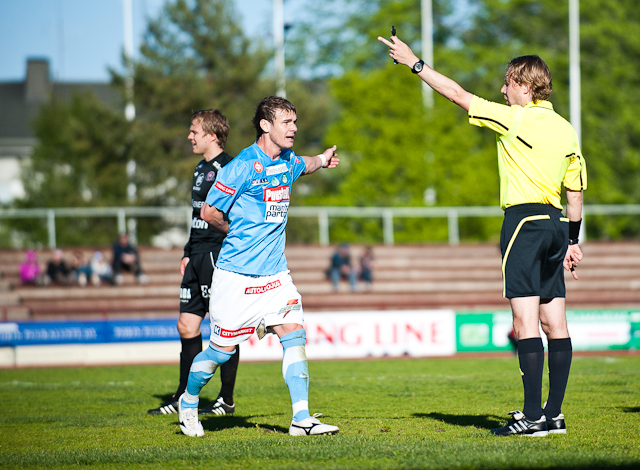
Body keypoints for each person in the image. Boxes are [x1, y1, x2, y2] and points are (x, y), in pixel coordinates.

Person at [379, 34, 587, 437]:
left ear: (525, 88)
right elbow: (574, 193)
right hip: (557, 226)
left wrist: (414, 63)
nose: (503, 90)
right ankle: (553, 414)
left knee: (525, 321)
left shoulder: (516, 117)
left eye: (508, 84)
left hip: (524, 223)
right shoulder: (565, 129)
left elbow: (456, 94)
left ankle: (531, 418)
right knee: (555, 323)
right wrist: (573, 241)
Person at [176, 95, 341, 438]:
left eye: (294, 122)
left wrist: (323, 160)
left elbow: (306, 164)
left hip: (276, 275)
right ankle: (189, 402)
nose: (293, 128)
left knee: (294, 334)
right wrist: (235, 230)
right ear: (265, 126)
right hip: (236, 276)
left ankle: (301, 419)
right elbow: (209, 212)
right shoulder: (241, 166)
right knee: (219, 352)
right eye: (286, 122)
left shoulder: (288, 161)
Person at [147, 109, 240, 417]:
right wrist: (187, 251)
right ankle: (182, 395)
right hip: (197, 254)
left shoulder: (231, 167)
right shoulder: (200, 168)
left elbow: (234, 215)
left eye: (194, 131)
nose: (189, 136)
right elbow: (196, 215)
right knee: (187, 326)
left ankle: (225, 399)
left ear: (212, 135)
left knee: (225, 328)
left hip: (217, 255)